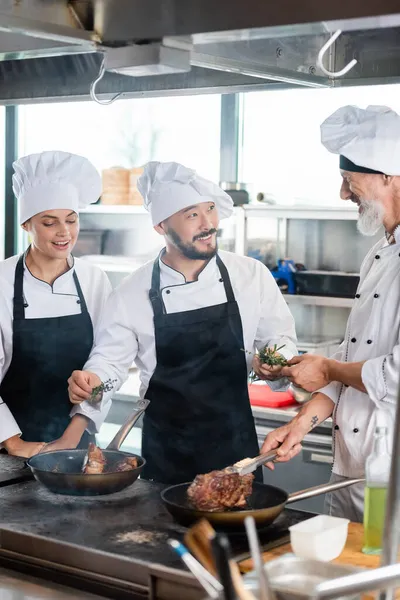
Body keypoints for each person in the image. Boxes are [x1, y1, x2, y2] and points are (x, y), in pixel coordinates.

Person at [67, 161, 297, 484]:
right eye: (192, 214)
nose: (209, 224)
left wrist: (277, 363)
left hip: (238, 459)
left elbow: (280, 341)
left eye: (211, 209)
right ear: (161, 225)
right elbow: (108, 367)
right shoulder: (132, 292)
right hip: (165, 464)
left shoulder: (250, 276)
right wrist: (90, 384)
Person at [262, 104, 400, 522]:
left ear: (389, 177)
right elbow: (352, 354)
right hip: (355, 469)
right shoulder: (380, 253)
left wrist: (326, 369)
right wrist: (303, 422)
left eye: (348, 181)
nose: (343, 194)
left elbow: (392, 373)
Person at [0, 150, 112, 458]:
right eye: (50, 223)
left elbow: (106, 361)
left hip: (77, 445)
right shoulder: (2, 281)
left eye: (71, 220)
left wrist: (70, 437)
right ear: (26, 225)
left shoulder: (94, 280)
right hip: (9, 447)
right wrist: (14, 443)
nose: (64, 232)